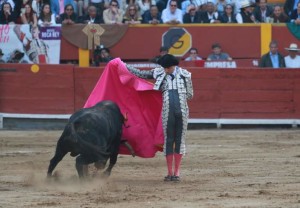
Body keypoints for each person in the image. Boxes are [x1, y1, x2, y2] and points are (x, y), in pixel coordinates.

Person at [126, 54, 194, 182]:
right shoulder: (159, 72)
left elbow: (190, 94)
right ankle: (169, 172)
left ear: (174, 65)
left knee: (179, 140)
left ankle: (177, 173)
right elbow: (141, 74)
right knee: (169, 140)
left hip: (182, 112)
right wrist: (124, 66)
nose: (165, 70)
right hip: (168, 112)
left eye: (167, 68)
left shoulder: (186, 74)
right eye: (164, 68)